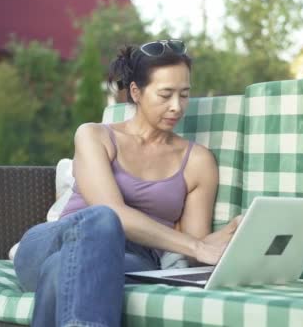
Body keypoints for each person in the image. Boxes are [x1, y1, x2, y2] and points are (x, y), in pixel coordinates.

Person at [13, 39, 242, 327]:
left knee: (62, 270)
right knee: (102, 219)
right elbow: (113, 214)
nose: (177, 107)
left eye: (184, 95)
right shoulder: (94, 136)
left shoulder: (198, 161)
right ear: (136, 92)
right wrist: (196, 246)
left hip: (131, 257)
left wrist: (230, 239)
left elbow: (193, 249)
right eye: (165, 94)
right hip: (56, 238)